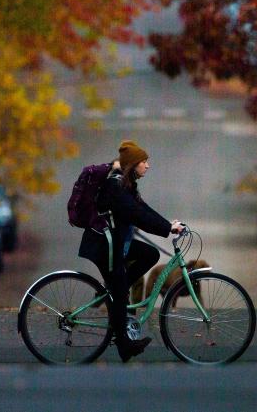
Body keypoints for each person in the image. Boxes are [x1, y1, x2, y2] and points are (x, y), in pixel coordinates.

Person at [78, 140, 183, 362]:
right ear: (133, 164)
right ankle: (125, 346)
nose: (148, 166)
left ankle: (118, 286)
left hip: (116, 242)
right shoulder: (115, 187)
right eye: (144, 162)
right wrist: (167, 228)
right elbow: (137, 214)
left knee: (150, 254)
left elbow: (143, 209)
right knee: (119, 293)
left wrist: (167, 225)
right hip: (103, 245)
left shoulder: (126, 185)